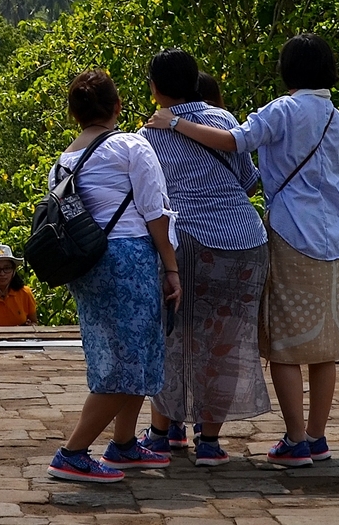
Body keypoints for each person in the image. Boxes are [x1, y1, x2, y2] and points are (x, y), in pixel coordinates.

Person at [150, 34, 339, 469]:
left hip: (291, 235)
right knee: (326, 347)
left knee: (283, 343)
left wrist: (172, 123)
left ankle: (296, 441)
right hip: (336, 240)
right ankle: (317, 438)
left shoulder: (282, 110)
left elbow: (235, 143)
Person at [48, 70, 183, 485]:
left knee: (123, 353)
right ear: (117, 107)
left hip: (88, 265)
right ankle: (72, 452)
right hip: (129, 259)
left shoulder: (63, 161)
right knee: (130, 360)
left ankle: (124, 443)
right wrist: (171, 266)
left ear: (74, 113)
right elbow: (155, 211)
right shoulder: (130, 145)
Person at [140, 49, 269, 466]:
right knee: (226, 341)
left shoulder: (148, 136)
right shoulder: (225, 121)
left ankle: (162, 433)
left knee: (173, 335)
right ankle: (209, 443)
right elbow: (249, 180)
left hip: (187, 242)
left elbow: (150, 203)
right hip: (244, 239)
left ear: (155, 88)